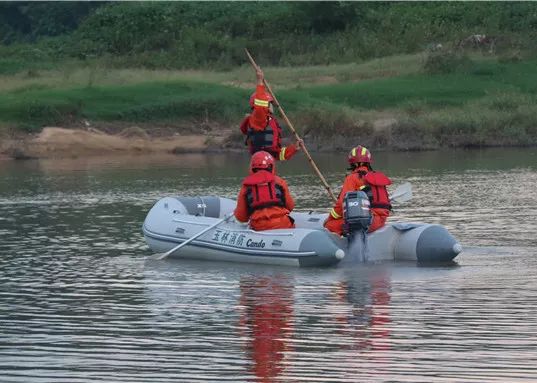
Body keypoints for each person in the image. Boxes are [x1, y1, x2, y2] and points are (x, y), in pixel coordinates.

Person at [324, 145, 392, 236]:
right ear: (368, 162)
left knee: (329, 225)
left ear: (354, 164)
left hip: (365, 223)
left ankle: (344, 241)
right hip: (380, 221)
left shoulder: (352, 178)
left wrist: (330, 218)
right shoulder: (375, 177)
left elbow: (341, 204)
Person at [239, 67, 302, 161]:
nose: (271, 106)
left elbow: (278, 154)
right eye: (270, 103)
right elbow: (260, 106)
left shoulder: (267, 121)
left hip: (268, 163)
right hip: (261, 164)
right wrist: (260, 81)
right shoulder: (258, 119)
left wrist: (293, 148)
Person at [234, 151, 295, 231]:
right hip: (283, 224)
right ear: (271, 166)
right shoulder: (280, 182)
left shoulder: (246, 186)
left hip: (259, 227)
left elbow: (241, 217)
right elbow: (290, 206)